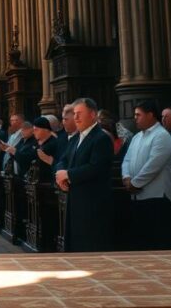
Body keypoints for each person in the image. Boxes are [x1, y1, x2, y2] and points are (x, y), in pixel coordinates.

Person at [54, 97, 114, 251]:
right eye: (74, 114)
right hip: (75, 198)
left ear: (93, 115)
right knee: (75, 243)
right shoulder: (75, 138)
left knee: (89, 244)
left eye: (80, 113)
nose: (76, 117)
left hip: (92, 202)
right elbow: (63, 159)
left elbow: (96, 168)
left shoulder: (101, 138)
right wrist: (60, 174)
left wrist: (68, 175)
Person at [121, 100, 171, 250]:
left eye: (138, 115)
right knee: (141, 240)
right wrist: (126, 178)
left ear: (150, 115)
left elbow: (154, 165)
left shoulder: (161, 136)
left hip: (156, 196)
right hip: (137, 196)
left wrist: (135, 183)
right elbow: (126, 159)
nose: (135, 118)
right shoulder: (137, 137)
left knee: (156, 241)